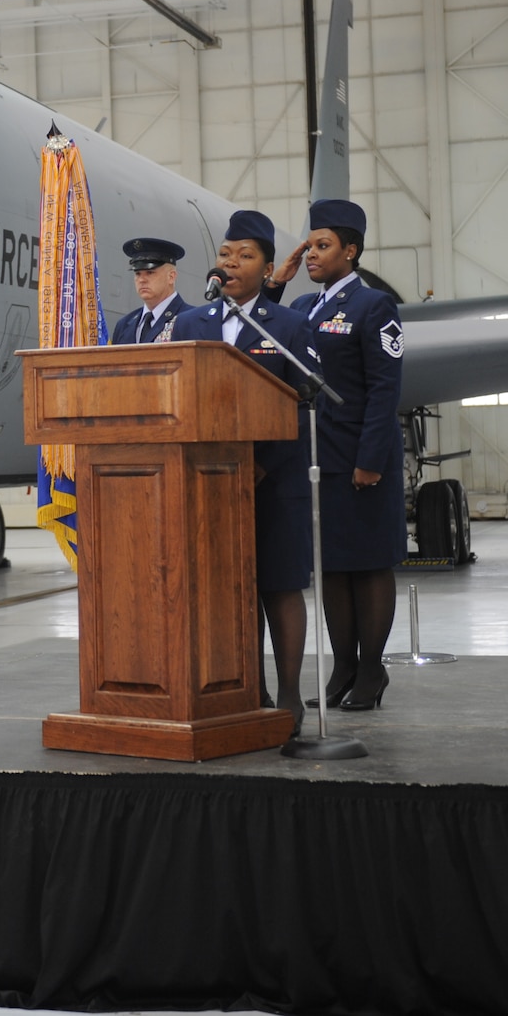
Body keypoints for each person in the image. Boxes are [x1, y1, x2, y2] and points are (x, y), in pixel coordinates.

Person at [170, 210, 318, 736]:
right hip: (209, 484)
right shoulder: (190, 325)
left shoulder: (289, 326)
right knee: (228, 589)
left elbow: (301, 405)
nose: (231, 264)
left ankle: (290, 695)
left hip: (272, 483)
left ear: (269, 268)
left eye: (245, 256)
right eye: (225, 255)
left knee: (278, 585)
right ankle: (243, 689)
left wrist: (257, 463)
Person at [276, 199, 406, 711]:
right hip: (318, 461)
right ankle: (344, 667)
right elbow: (271, 335)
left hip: (361, 459)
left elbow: (384, 387)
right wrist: (276, 282)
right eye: (308, 245)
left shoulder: (374, 307)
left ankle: (372, 670)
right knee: (333, 568)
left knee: (369, 565)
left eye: (322, 246)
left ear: (350, 252)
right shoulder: (307, 307)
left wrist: (370, 458)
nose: (311, 254)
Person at [109, 238, 189, 345]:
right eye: (137, 273)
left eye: (150, 273)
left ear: (171, 277)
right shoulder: (124, 325)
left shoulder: (191, 320)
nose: (142, 280)